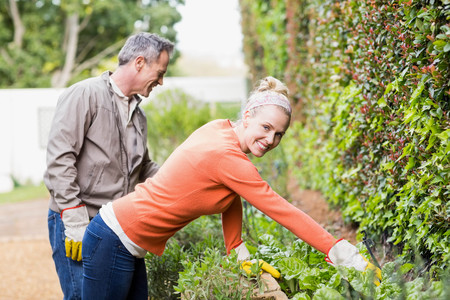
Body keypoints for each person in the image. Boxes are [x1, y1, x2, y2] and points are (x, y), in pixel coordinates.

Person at [81, 76, 382, 299]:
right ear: (248, 116)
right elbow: (284, 212)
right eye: (266, 128)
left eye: (279, 134)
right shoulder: (229, 158)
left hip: (120, 237)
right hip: (114, 238)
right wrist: (345, 255)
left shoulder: (220, 129)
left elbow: (228, 195)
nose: (271, 139)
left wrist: (237, 249)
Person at [44, 32, 174, 300]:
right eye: (159, 72)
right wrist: (74, 219)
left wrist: (181, 176)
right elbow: (59, 159)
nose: (161, 81)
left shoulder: (138, 115)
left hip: (118, 224)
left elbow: (144, 167)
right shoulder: (85, 94)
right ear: (139, 63)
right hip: (80, 220)